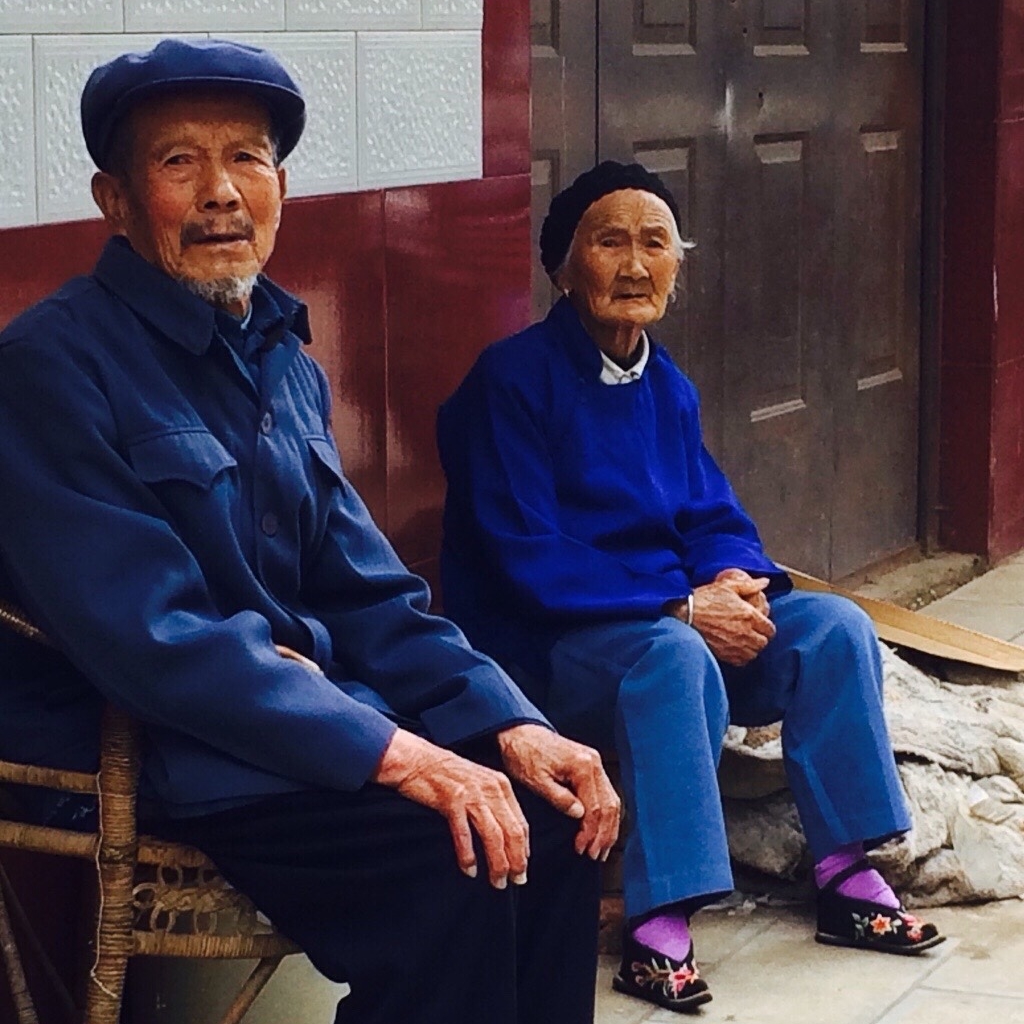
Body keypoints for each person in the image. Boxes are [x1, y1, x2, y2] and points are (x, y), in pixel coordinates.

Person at [0, 39, 621, 1024]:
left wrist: (507, 718)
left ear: (281, 186)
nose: (220, 193)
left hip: (299, 724)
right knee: (454, 867)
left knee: (551, 818)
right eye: (177, 163)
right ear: (113, 201)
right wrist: (401, 751)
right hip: (163, 746)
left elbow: (369, 592)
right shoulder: (50, 366)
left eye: (246, 158)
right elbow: (153, 640)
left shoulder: (281, 358)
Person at [437, 161, 944, 1014]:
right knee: (673, 657)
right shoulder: (510, 381)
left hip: (669, 623)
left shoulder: (666, 385)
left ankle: (845, 871)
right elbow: (524, 553)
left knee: (833, 629)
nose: (636, 264)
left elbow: (712, 510)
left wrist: (733, 581)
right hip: (549, 646)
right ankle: (657, 923)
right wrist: (679, 606)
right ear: (562, 267)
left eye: (656, 244)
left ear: (679, 266)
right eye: (610, 242)